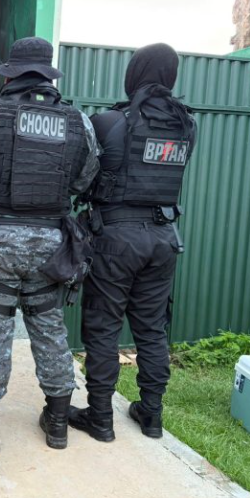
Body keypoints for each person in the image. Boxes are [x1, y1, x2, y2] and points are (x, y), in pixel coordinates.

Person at [0, 37, 100, 455]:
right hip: (51, 248)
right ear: (47, 75)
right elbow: (87, 178)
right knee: (49, 332)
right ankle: (59, 426)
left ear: (10, 74)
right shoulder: (77, 122)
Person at [68, 43, 197, 441]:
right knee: (152, 330)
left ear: (135, 73)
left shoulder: (109, 122)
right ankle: (152, 416)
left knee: (104, 328)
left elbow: (81, 177)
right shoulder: (186, 125)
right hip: (163, 239)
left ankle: (101, 418)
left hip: (116, 238)